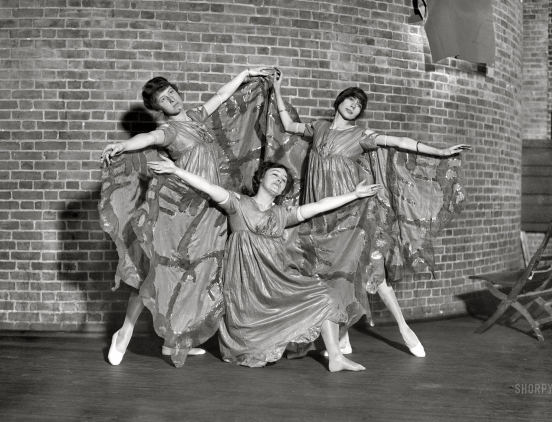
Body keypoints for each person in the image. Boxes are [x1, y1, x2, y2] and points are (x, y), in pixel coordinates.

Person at [272, 70, 471, 357]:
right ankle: (341, 336)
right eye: (351, 101)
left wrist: (440, 152)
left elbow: (399, 141)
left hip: (350, 210)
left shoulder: (361, 135)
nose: (354, 106)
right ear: (340, 101)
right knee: (329, 273)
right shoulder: (318, 127)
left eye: (359, 105)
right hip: (319, 211)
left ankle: (404, 328)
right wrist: (278, 89)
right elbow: (288, 124)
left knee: (370, 269)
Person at [100, 67, 275, 367]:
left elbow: (221, 96)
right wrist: (123, 145)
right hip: (181, 209)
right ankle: (125, 332)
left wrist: (245, 73)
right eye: (164, 100)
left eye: (172, 93)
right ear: (158, 109)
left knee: (199, 273)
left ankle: (175, 339)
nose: (172, 101)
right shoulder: (169, 131)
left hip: (210, 208)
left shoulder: (196, 117)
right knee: (159, 272)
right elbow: (147, 137)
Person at [147, 158, 379, 371]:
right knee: (252, 351)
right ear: (261, 177)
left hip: (279, 279)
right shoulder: (238, 204)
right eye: (275, 175)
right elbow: (208, 187)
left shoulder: (282, 213)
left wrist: (354, 194)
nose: (279, 180)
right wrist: (176, 170)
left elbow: (320, 206)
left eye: (284, 180)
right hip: (246, 286)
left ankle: (336, 357)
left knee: (327, 297)